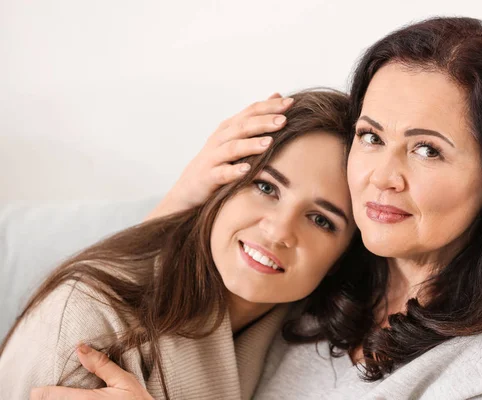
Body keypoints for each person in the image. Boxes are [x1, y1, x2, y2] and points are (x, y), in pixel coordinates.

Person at [32, 16, 482, 400]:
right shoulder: (328, 271)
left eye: (426, 149)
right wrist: (185, 206)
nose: (382, 177)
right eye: (372, 136)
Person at [0, 89, 368, 400]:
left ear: (341, 256)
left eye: (321, 220)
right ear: (222, 186)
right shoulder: (88, 319)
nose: (277, 232)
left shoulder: (309, 343)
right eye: (266, 187)